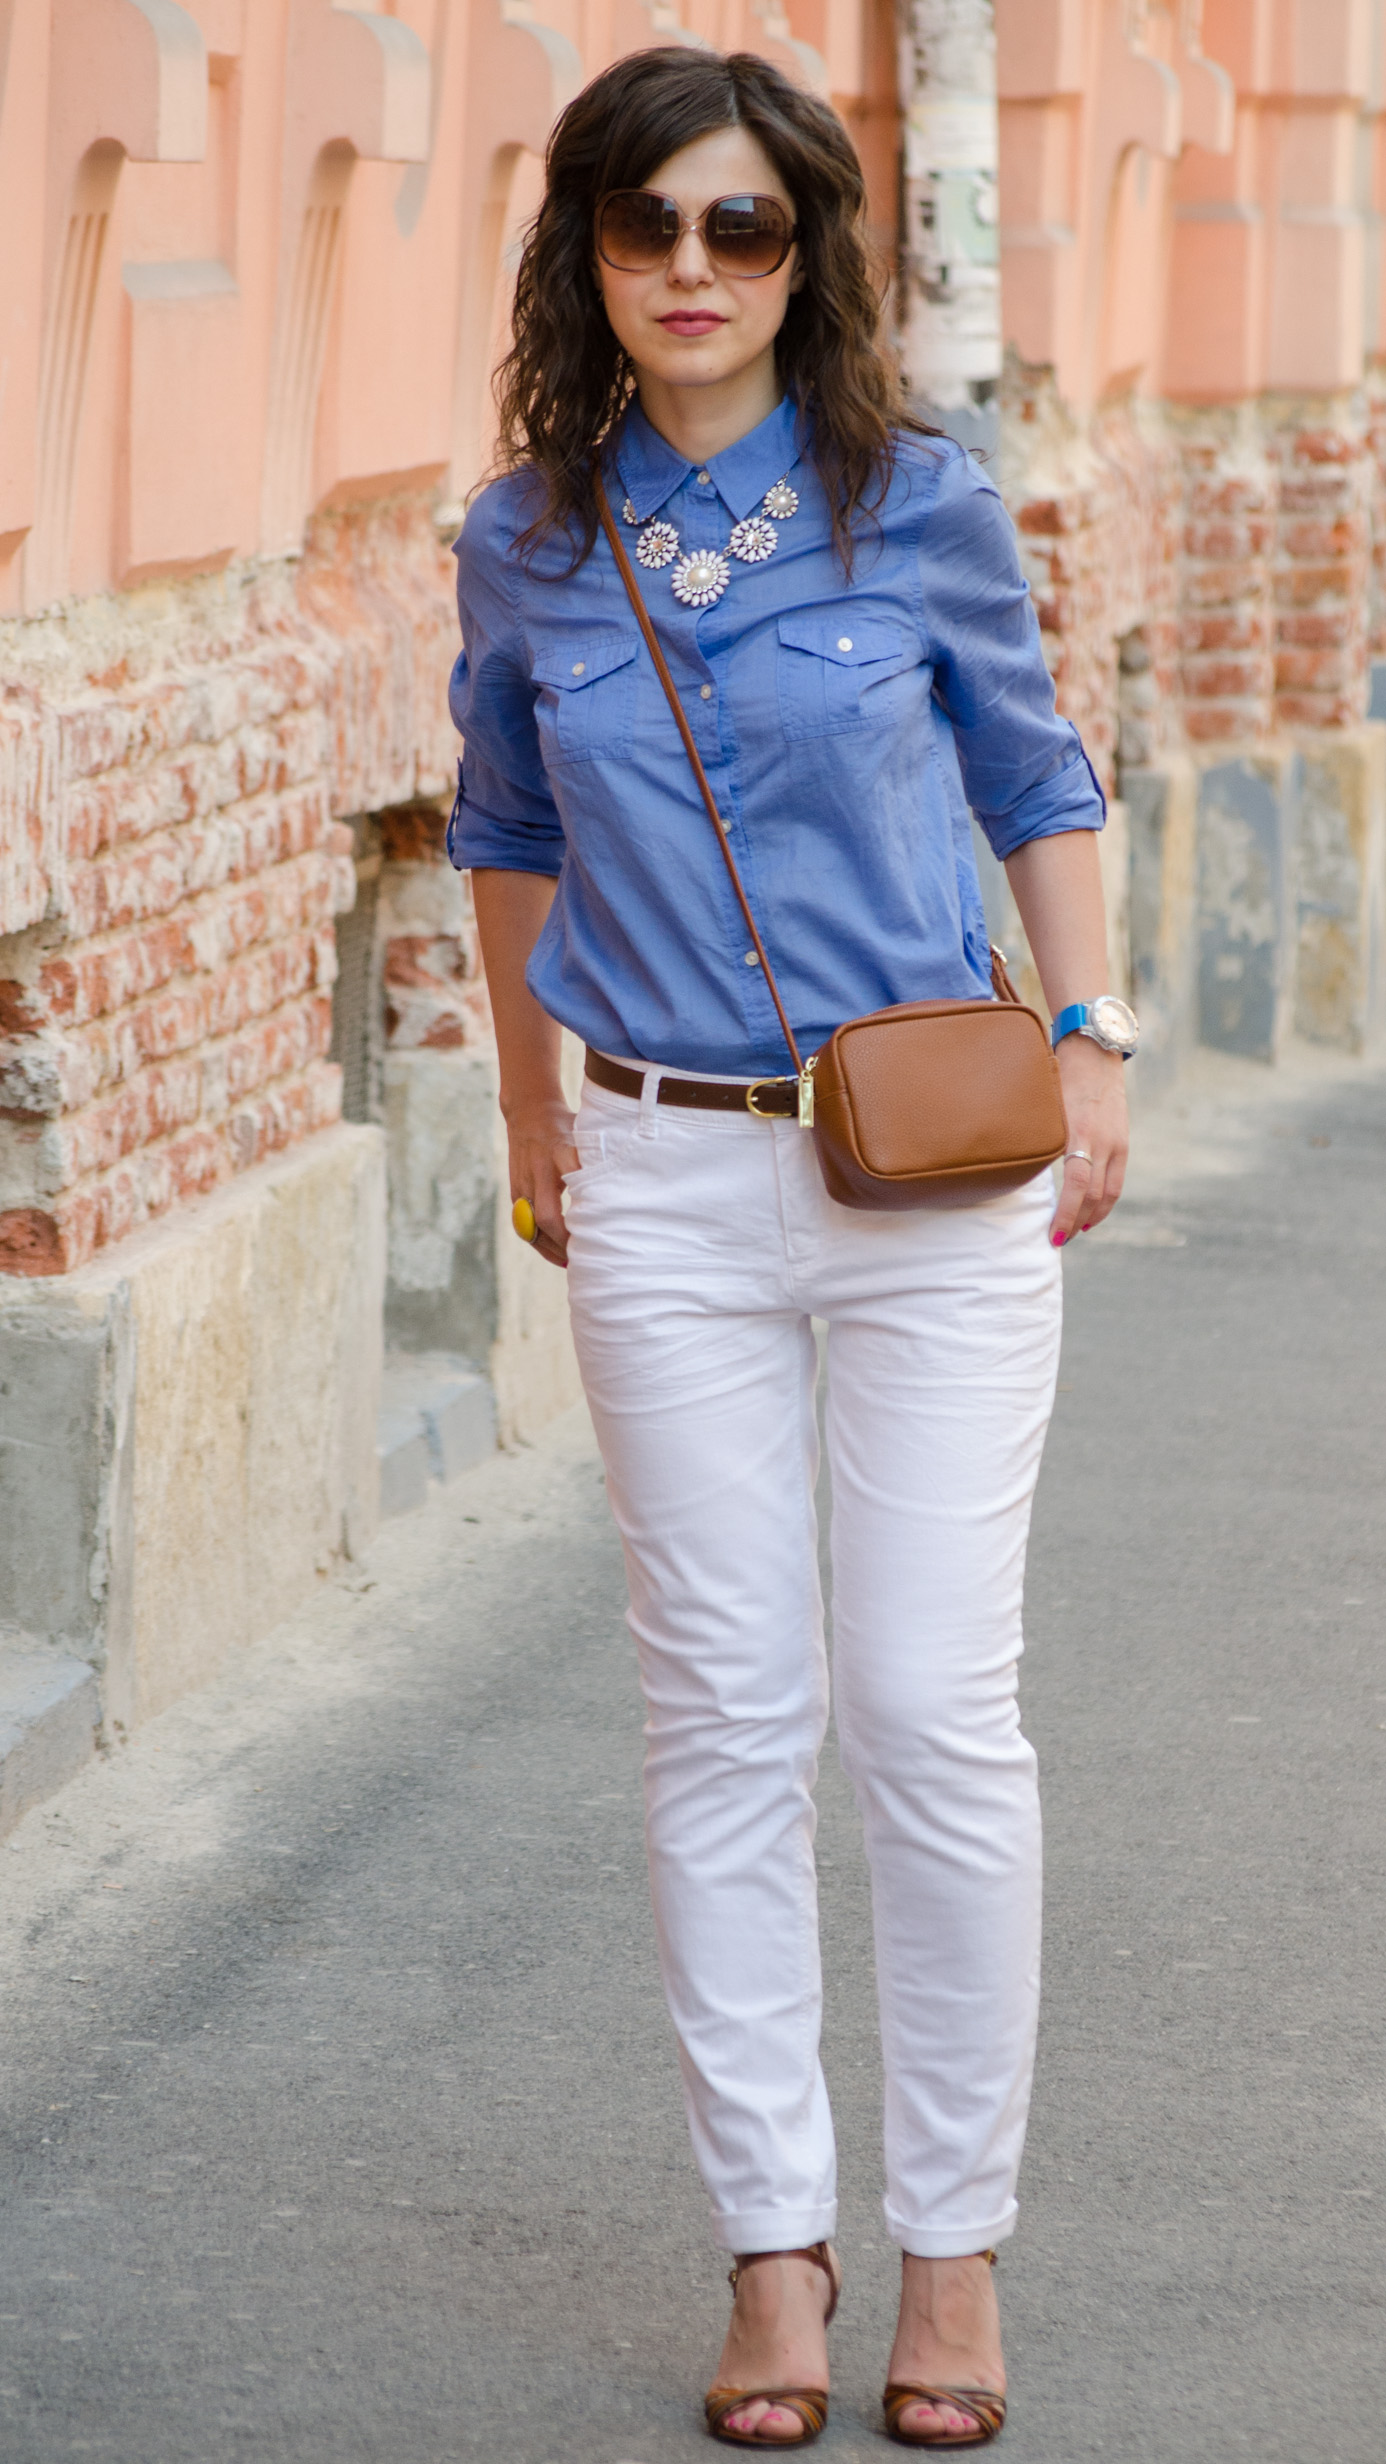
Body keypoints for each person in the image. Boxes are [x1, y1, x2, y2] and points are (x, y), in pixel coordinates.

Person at [447, 47, 1132, 2450]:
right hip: (658, 1175)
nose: (694, 273)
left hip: (928, 1178)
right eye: (650, 228)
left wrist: (1100, 1030)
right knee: (723, 1714)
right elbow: (506, 823)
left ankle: (951, 2245)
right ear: (590, 256)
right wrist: (534, 1110)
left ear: (810, 254)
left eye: (743, 232)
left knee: (934, 1708)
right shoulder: (527, 534)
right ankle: (775, 2242)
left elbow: (1039, 775)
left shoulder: (913, 502)